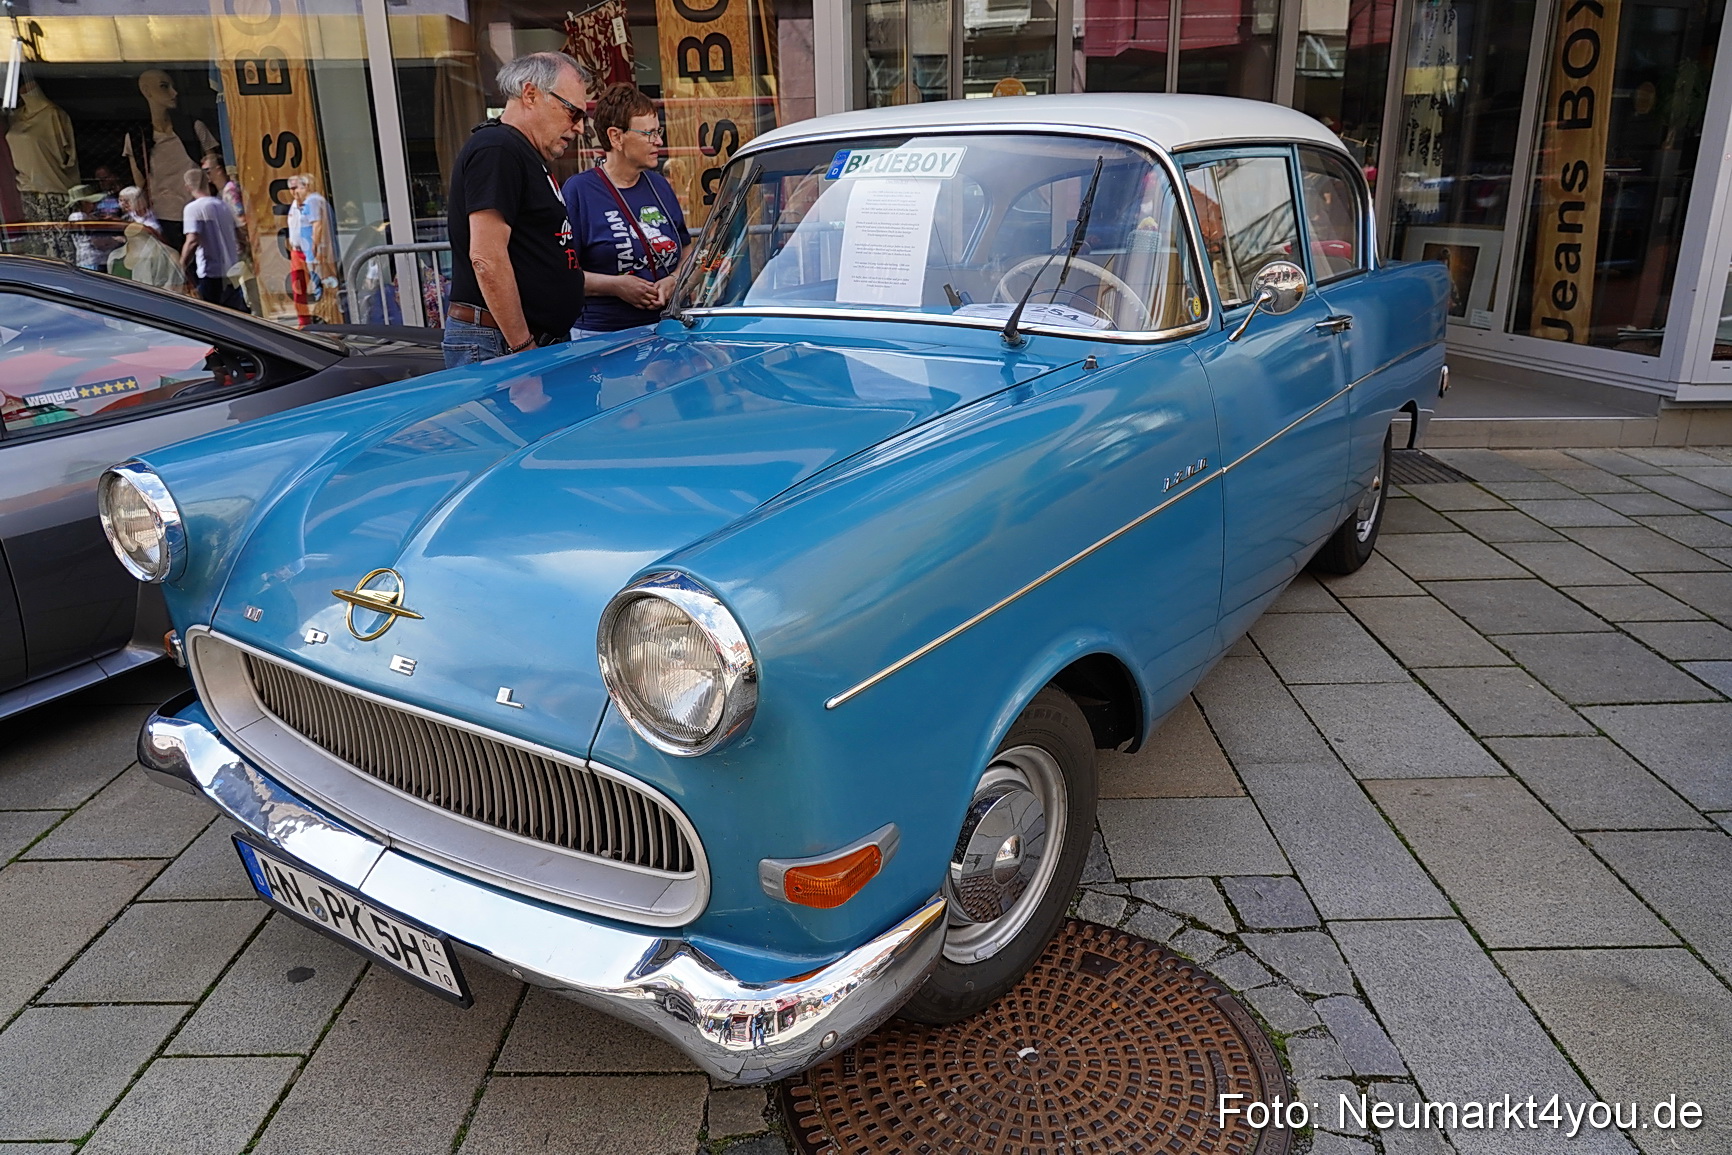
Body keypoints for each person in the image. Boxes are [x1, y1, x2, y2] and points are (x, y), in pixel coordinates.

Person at [442, 51, 588, 368]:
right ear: (530, 93)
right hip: (500, 343)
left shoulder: (520, 152)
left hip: (518, 340)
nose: (579, 128)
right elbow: (487, 258)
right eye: (573, 112)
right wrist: (523, 349)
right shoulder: (498, 148)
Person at [562, 83, 689, 337]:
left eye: (658, 131)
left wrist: (674, 280)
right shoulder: (580, 191)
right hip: (603, 334)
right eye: (648, 134)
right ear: (616, 137)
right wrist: (616, 286)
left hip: (665, 327)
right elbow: (562, 274)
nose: (658, 141)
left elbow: (686, 247)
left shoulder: (659, 185)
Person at [179, 169, 248, 312]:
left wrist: (181, 265)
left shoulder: (192, 209)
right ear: (207, 182)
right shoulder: (223, 205)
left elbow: (192, 240)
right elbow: (239, 235)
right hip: (231, 270)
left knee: (210, 315)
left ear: (187, 186)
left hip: (210, 271)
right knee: (237, 314)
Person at [287, 174, 336, 326]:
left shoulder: (313, 201)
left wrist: (315, 248)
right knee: (298, 287)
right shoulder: (295, 205)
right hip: (298, 251)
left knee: (322, 286)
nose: (294, 191)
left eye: (297, 187)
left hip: (314, 251)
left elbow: (317, 225)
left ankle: (331, 321)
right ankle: (304, 322)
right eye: (291, 188)